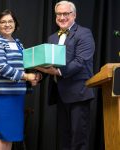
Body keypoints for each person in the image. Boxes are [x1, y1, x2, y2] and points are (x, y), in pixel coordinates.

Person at [35, 1, 95, 150]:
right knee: (64, 138)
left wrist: (58, 72)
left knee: (78, 139)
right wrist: (38, 75)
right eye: (58, 14)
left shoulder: (84, 33)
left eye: (65, 13)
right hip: (60, 94)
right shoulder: (52, 38)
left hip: (78, 94)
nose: (62, 17)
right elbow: (49, 64)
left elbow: (80, 61)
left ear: (73, 15)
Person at [0, 9, 41, 150]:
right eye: (3, 22)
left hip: (16, 95)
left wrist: (34, 76)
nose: (7, 24)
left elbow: (25, 66)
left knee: (9, 135)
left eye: (10, 21)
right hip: (0, 95)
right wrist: (26, 76)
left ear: (15, 24)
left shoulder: (18, 44)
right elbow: (1, 67)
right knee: (0, 135)